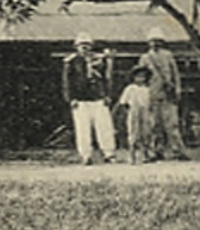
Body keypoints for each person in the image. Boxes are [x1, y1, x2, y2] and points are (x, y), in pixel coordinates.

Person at [62, 33, 116, 165]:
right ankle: (86, 155)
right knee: (82, 128)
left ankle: (109, 153)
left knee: (105, 127)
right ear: (76, 47)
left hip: (98, 98)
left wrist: (107, 95)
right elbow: (67, 81)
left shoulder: (99, 60)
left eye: (87, 45)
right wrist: (71, 98)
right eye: (81, 45)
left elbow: (106, 78)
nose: (84, 48)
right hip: (80, 100)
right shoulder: (71, 61)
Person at [138, 29, 189, 160]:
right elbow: (140, 77)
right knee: (154, 125)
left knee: (172, 124)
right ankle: (156, 151)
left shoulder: (168, 56)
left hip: (168, 94)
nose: (155, 44)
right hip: (152, 94)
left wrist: (177, 88)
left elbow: (175, 74)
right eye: (152, 41)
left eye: (158, 41)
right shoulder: (145, 58)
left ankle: (178, 151)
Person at [118, 65, 155, 165]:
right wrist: (127, 113)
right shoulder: (130, 88)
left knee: (146, 133)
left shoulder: (147, 89)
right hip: (134, 111)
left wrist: (150, 113)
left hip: (145, 112)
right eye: (138, 77)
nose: (140, 79)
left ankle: (146, 155)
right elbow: (123, 102)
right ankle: (132, 156)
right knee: (133, 133)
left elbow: (151, 102)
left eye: (143, 77)